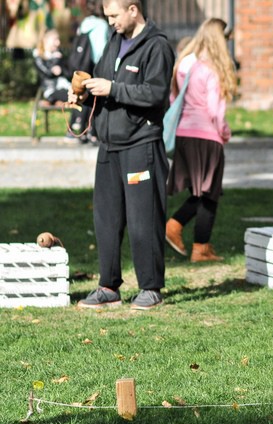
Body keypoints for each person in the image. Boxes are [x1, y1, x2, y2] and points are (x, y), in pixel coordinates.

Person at [71, 0, 175, 310]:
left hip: (141, 144)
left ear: (133, 9)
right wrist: (84, 93)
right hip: (109, 145)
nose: (111, 22)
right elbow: (103, 83)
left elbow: (156, 93)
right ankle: (108, 286)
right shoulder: (114, 41)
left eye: (114, 15)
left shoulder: (157, 46)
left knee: (144, 218)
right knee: (106, 219)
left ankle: (151, 287)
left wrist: (113, 88)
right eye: (107, 16)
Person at [165, 18, 236, 262]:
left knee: (200, 191)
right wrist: (225, 132)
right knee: (210, 193)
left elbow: (175, 99)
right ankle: (192, 241)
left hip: (185, 134)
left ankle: (192, 239)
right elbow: (215, 111)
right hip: (207, 136)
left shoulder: (186, 64)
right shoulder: (213, 70)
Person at [68, 0, 110, 143]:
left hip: (82, 67)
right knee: (93, 97)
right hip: (95, 66)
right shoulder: (102, 25)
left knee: (81, 95)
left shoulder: (85, 23)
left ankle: (77, 127)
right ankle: (92, 131)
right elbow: (101, 50)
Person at [32, 29, 71, 104]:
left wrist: (61, 67)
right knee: (74, 97)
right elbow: (48, 73)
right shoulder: (38, 57)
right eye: (55, 39)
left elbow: (68, 73)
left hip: (64, 87)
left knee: (80, 95)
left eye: (58, 39)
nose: (58, 43)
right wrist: (55, 59)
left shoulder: (59, 54)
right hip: (50, 90)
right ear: (46, 40)